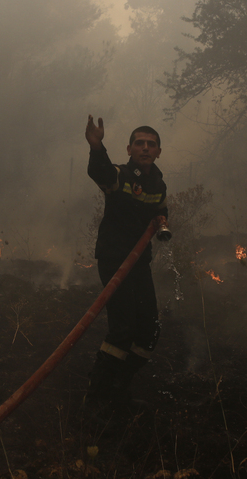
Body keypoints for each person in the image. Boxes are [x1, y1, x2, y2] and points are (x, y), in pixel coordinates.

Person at [83, 114, 169, 414]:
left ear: (159, 151)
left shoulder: (158, 183)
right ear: (129, 149)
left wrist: (162, 221)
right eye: (139, 143)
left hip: (139, 262)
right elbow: (101, 172)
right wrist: (96, 147)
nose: (145, 148)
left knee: (149, 331)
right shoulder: (120, 175)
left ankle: (119, 388)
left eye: (151, 144)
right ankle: (96, 397)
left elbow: (161, 208)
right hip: (114, 259)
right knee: (122, 330)